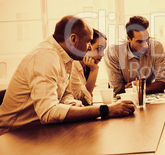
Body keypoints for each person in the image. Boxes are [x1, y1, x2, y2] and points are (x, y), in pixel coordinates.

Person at [0, 16, 134, 135]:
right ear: (73, 39)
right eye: (88, 41)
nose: (89, 47)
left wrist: (73, 104)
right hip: (13, 134)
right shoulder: (46, 57)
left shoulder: (65, 57)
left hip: (35, 130)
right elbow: (48, 113)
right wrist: (105, 110)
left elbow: (64, 94)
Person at [104, 16, 165, 94]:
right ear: (128, 39)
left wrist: (138, 89)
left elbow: (162, 82)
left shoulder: (158, 47)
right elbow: (116, 88)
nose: (146, 46)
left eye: (147, 40)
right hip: (124, 97)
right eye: (140, 41)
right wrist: (145, 87)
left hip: (148, 95)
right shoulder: (113, 51)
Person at [69, 29, 107, 106]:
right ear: (87, 46)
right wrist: (94, 70)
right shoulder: (73, 64)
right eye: (99, 49)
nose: (102, 54)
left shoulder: (86, 67)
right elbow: (83, 100)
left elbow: (88, 99)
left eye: (103, 50)